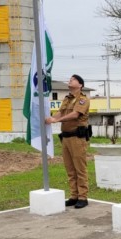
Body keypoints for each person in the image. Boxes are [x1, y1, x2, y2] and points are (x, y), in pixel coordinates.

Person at [45, 74, 91, 209]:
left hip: (77, 138)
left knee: (80, 168)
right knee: (70, 168)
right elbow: (60, 113)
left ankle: (83, 196)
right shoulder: (67, 99)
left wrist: (56, 120)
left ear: (80, 84)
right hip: (65, 137)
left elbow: (75, 114)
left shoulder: (83, 99)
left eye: (73, 79)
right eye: (70, 79)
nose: (70, 80)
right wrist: (50, 118)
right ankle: (74, 195)